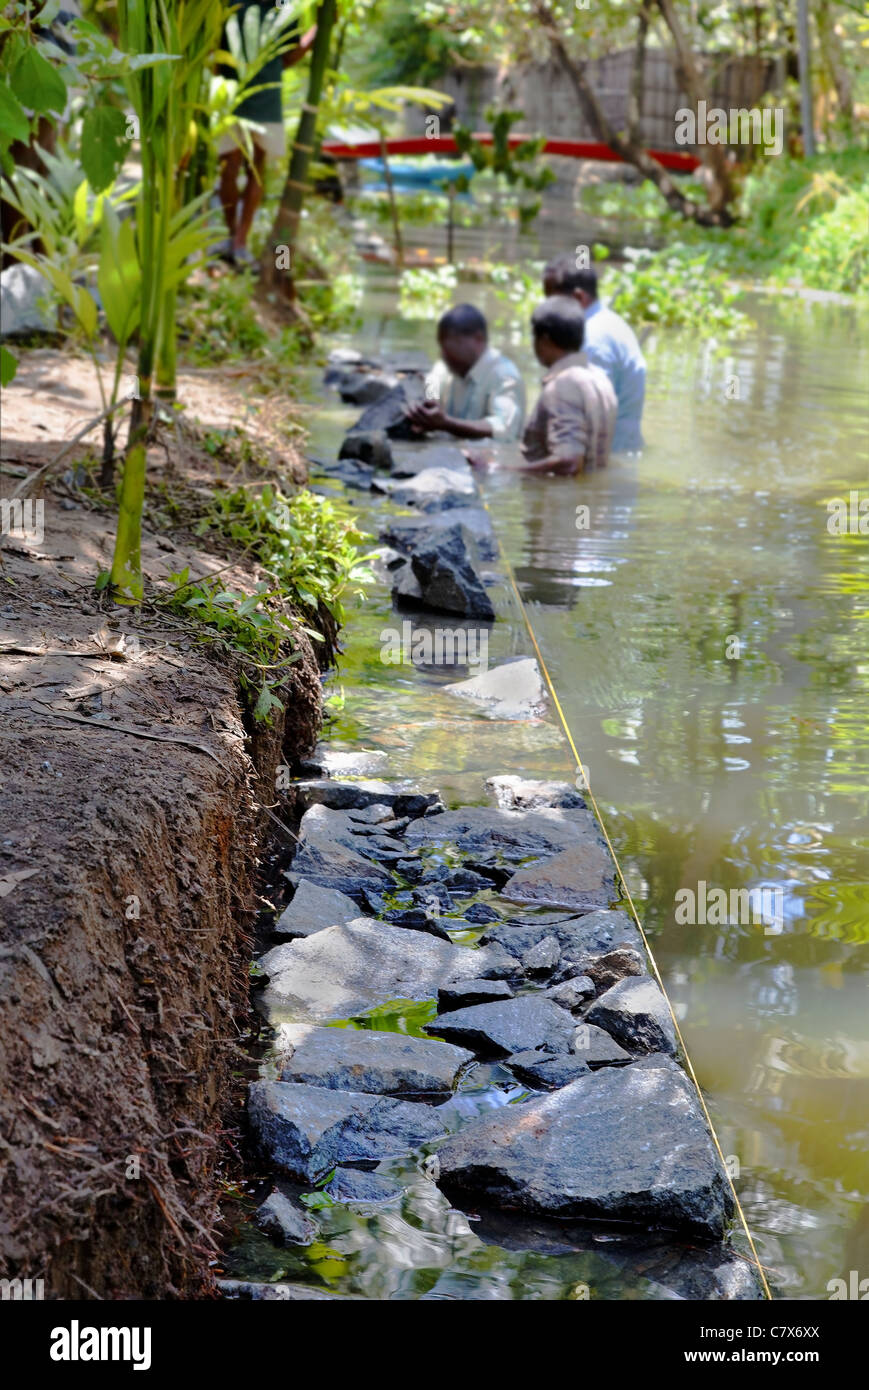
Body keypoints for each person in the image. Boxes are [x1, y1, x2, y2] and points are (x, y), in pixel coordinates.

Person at [216, 4, 317, 268]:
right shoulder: (228, 3)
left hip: (266, 98)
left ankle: (240, 241)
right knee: (228, 168)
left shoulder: (283, 7)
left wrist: (316, 33)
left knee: (256, 169)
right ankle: (230, 236)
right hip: (230, 95)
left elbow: (288, 57)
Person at [543, 256, 646, 453]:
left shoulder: (591, 339)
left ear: (579, 298)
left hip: (607, 456)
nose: (546, 308)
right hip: (624, 449)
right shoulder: (610, 322)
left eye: (552, 300)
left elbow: (588, 416)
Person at [517, 296, 616, 476]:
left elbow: (569, 463)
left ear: (544, 340)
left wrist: (501, 470)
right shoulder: (600, 379)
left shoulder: (562, 385)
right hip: (591, 502)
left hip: (560, 502)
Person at [405, 304, 526, 442]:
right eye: (443, 347)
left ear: (478, 339)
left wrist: (447, 423)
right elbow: (432, 384)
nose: (444, 354)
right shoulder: (446, 366)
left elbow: (503, 427)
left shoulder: (505, 375)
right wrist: (425, 406)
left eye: (453, 345)